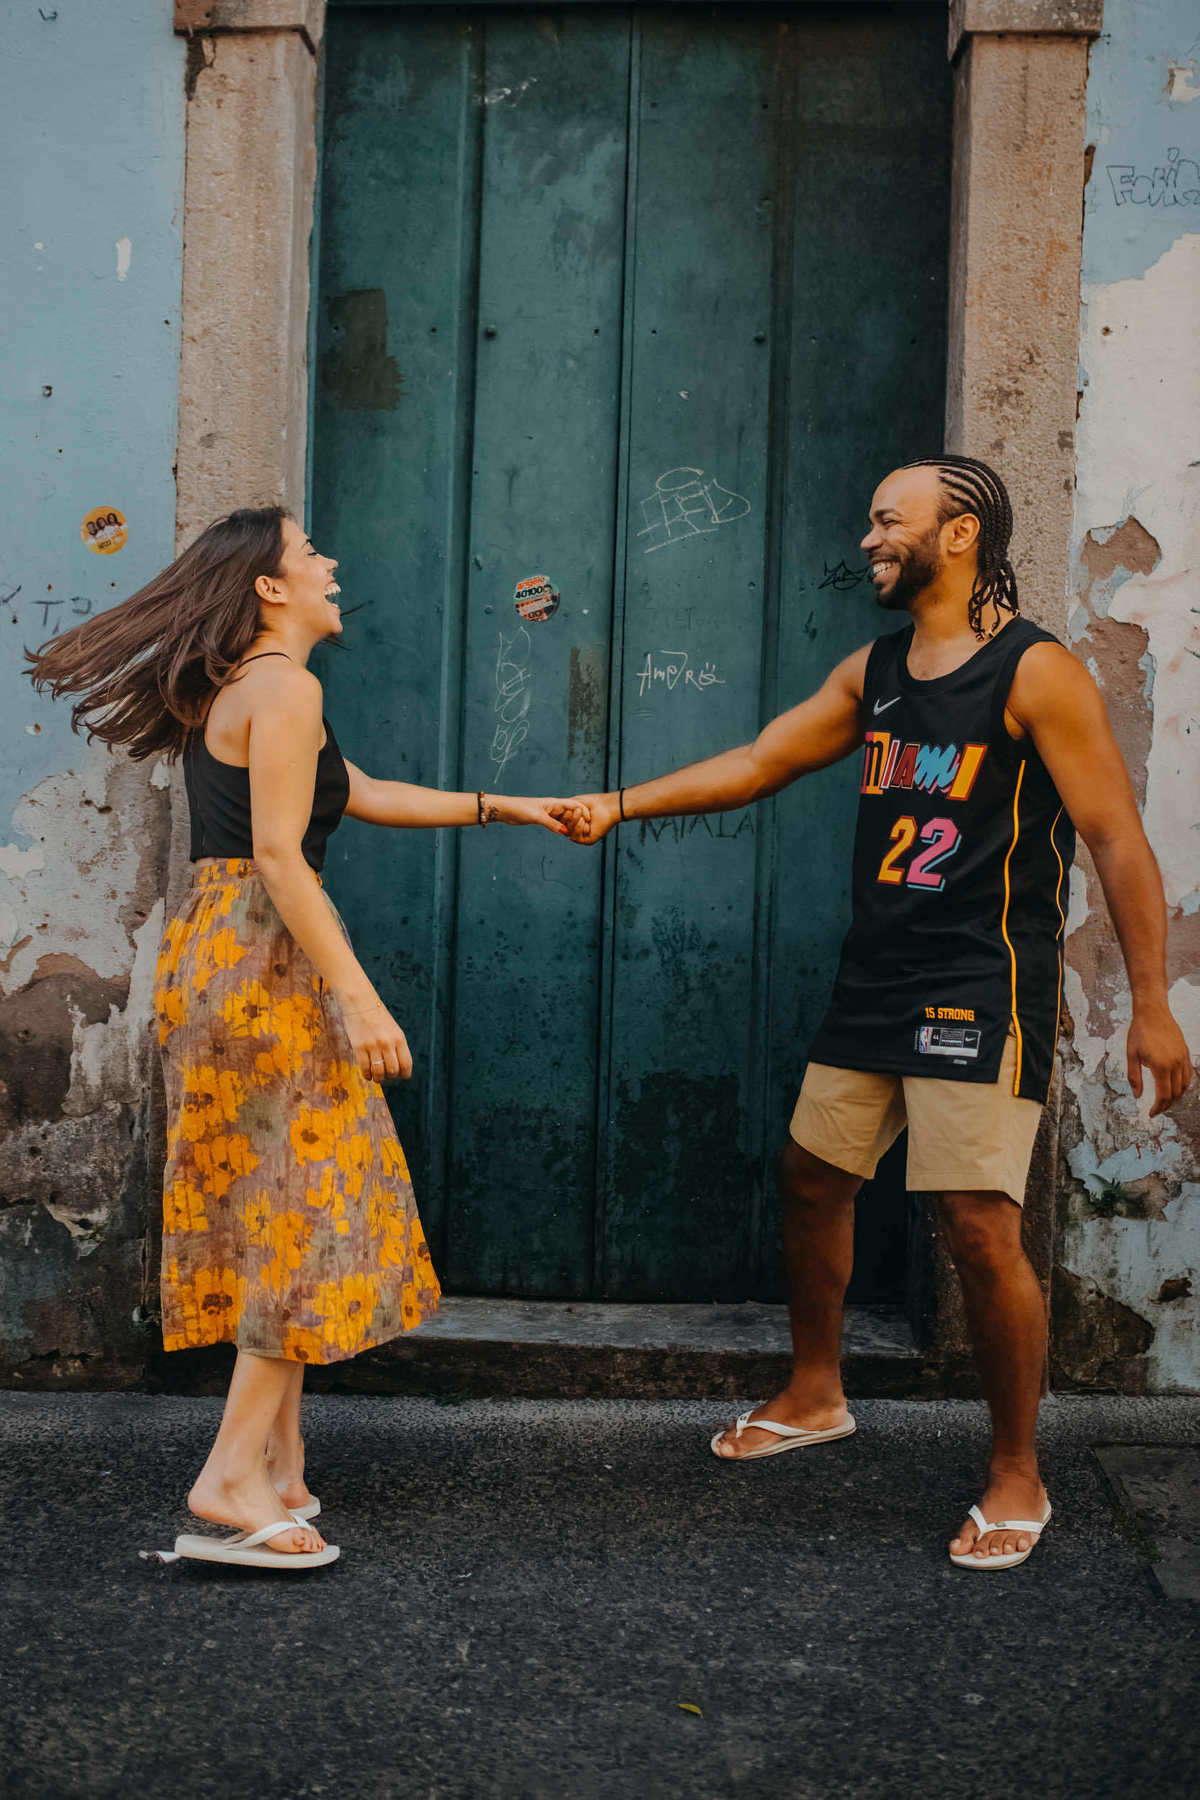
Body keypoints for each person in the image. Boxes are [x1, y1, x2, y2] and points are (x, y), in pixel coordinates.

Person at [567, 455, 1192, 1572]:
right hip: (877, 974)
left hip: (980, 980)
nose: (870, 539)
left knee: (976, 1226)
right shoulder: (881, 668)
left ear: (960, 533)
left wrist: (1154, 1004)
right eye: (870, 523)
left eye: (890, 521)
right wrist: (617, 805)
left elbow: (1117, 840)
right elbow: (763, 761)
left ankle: (1017, 1470)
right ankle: (816, 1391)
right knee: (814, 1177)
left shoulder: (1035, 671)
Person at [29, 506, 585, 1571]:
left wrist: (509, 808)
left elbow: (353, 795)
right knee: (306, 1204)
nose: (332, 565)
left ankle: (277, 1462)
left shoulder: (249, 688)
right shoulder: (284, 687)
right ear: (272, 588)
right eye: (310, 554)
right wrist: (362, 999)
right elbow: (283, 858)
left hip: (223, 955)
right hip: (263, 961)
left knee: (277, 1204)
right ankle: (230, 1476)